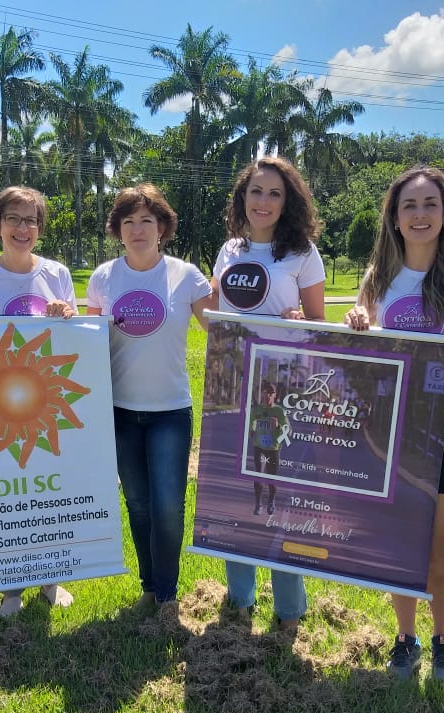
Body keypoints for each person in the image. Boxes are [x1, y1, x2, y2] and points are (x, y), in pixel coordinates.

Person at [344, 165, 444, 686]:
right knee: (399, 543)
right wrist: (359, 328)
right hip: (391, 434)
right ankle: (404, 640)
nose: (421, 214)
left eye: (431, 204)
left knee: (438, 548)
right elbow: (360, 357)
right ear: (395, 217)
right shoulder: (377, 278)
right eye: (410, 206)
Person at [211, 156, 326, 634]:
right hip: (227, 379)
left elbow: (320, 328)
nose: (263, 202)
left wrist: (302, 325)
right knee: (234, 491)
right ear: (243, 198)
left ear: (288, 201)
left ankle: (289, 610)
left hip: (280, 386)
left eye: (274, 193)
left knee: (279, 491)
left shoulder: (302, 254)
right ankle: (239, 600)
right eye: (256, 192)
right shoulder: (229, 250)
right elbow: (218, 319)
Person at [86, 184, 211, 609]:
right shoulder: (104, 277)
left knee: (167, 507)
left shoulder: (186, 276)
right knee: (137, 504)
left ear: (162, 227)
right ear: (117, 230)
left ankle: (169, 595)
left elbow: (221, 328)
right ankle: (149, 588)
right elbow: (86, 344)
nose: (137, 230)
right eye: (128, 222)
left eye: (146, 221)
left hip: (170, 413)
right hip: (120, 412)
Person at [0, 186, 77, 617]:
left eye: (31, 220)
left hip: (47, 404)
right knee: (6, 498)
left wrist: (68, 316)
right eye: (13, 218)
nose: (22, 228)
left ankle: (50, 580)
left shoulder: (57, 273)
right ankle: (10, 590)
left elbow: (72, 341)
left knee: (47, 493)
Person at [247, 381, 287, 516]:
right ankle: (258, 504)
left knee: (271, 479)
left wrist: (277, 426)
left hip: (273, 449)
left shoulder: (279, 411)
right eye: (265, 393)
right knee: (258, 476)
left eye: (271, 393)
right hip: (259, 447)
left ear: (275, 395)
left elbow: (288, 430)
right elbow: (252, 420)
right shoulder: (257, 409)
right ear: (262, 393)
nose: (268, 396)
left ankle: (271, 501)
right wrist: (252, 430)